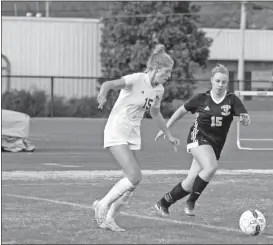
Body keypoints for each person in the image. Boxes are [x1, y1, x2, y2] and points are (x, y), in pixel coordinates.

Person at [93, 44, 180, 231]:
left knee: (130, 186)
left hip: (132, 133)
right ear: (155, 69)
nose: (169, 76)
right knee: (134, 176)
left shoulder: (159, 90)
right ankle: (102, 204)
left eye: (170, 72)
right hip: (117, 128)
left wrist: (169, 135)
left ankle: (109, 219)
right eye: (166, 72)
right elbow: (109, 84)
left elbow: (155, 114)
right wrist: (103, 94)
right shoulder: (137, 79)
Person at [154, 64, 251, 216]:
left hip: (215, 145)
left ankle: (163, 202)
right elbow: (181, 110)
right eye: (218, 81)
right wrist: (166, 128)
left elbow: (245, 116)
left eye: (224, 82)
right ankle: (191, 202)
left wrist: (245, 119)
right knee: (211, 167)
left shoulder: (232, 100)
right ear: (212, 80)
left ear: (227, 83)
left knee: (190, 183)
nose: (220, 85)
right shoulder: (202, 98)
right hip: (198, 137)